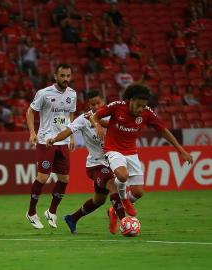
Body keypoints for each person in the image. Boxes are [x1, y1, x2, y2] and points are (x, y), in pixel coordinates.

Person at [90, 84, 194, 216]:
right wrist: (97, 125)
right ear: (130, 100)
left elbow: (164, 131)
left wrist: (182, 151)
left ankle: (114, 211)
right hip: (113, 149)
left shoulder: (147, 113)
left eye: (143, 106)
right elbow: (94, 116)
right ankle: (124, 200)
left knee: (138, 192)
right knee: (122, 175)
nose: (141, 109)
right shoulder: (117, 106)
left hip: (131, 152)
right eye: (138, 105)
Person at [46, 90, 126, 234]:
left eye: (98, 103)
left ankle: (72, 218)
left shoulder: (112, 115)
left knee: (99, 200)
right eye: (92, 104)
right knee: (113, 187)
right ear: (89, 104)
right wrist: (54, 139)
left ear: (104, 101)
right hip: (95, 165)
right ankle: (125, 223)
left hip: (112, 162)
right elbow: (68, 131)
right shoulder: (83, 119)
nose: (96, 106)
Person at [25, 63, 77, 229]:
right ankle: (31, 212)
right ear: (56, 76)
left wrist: (72, 135)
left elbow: (70, 114)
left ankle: (51, 211)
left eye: (68, 76)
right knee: (43, 177)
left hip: (63, 141)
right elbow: (30, 111)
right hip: (45, 140)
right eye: (62, 76)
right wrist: (32, 132)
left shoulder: (72, 94)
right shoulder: (44, 93)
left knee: (64, 179)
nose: (65, 79)